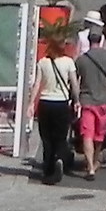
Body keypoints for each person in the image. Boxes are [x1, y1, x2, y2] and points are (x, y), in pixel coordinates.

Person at [74, 31, 106, 176]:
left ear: (88, 41)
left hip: (87, 101)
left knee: (87, 134)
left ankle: (90, 167)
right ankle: (95, 160)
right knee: (99, 135)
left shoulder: (82, 60)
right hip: (103, 101)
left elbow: (76, 81)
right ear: (101, 40)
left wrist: (75, 99)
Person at [30, 39, 77, 185]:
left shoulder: (42, 62)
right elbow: (74, 84)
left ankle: (49, 169)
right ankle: (59, 158)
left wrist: (31, 103)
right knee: (61, 136)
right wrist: (76, 101)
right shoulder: (69, 62)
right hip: (61, 103)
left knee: (46, 138)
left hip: (45, 103)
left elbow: (37, 84)